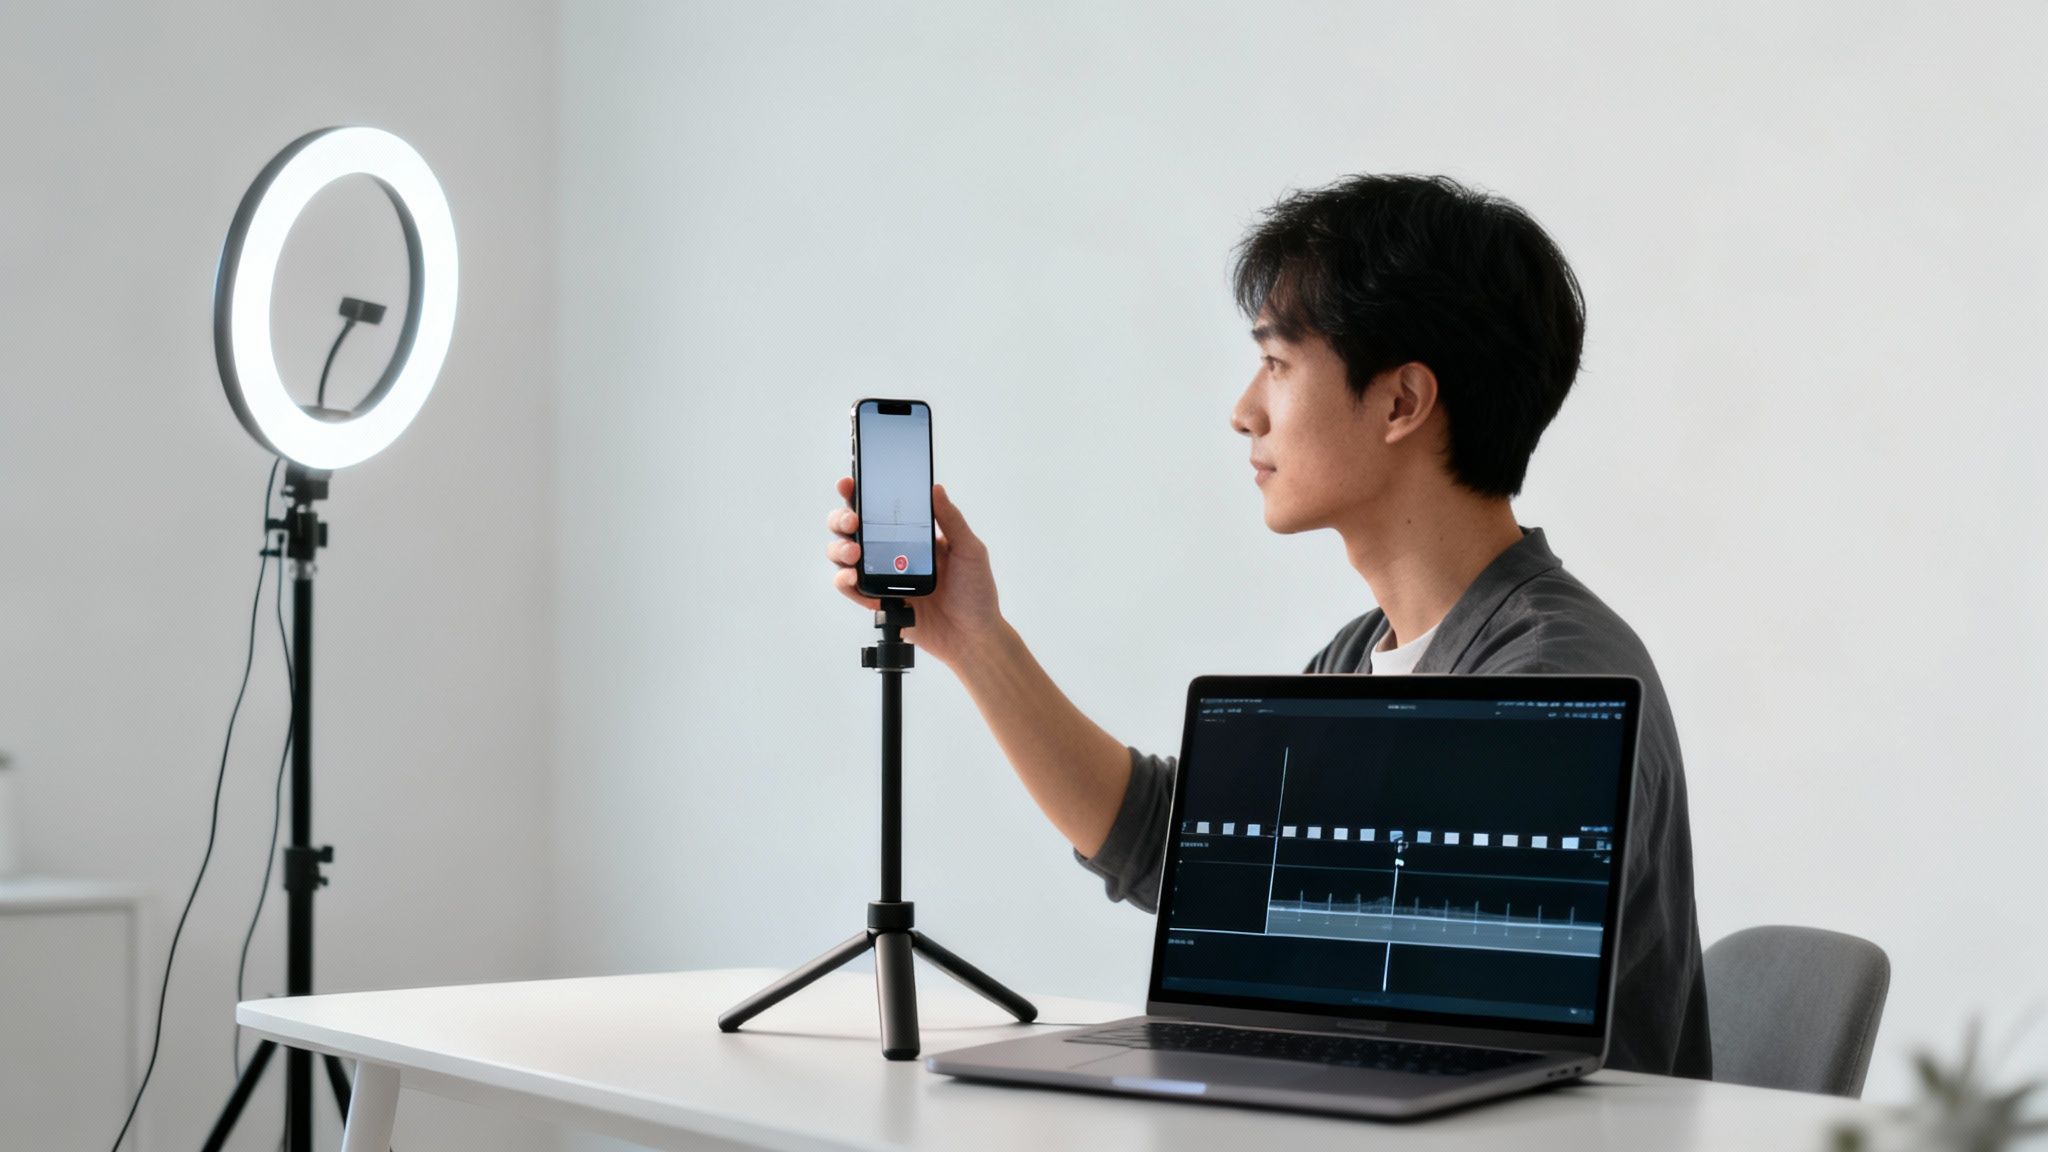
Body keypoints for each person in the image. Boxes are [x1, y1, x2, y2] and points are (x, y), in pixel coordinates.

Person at [824, 174, 1711, 1079]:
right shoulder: (1361, 660)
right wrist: (974, 638)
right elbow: (1182, 852)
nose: (1244, 409)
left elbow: (1422, 1011)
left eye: (1279, 364)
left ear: (1402, 402)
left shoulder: (1558, 682)